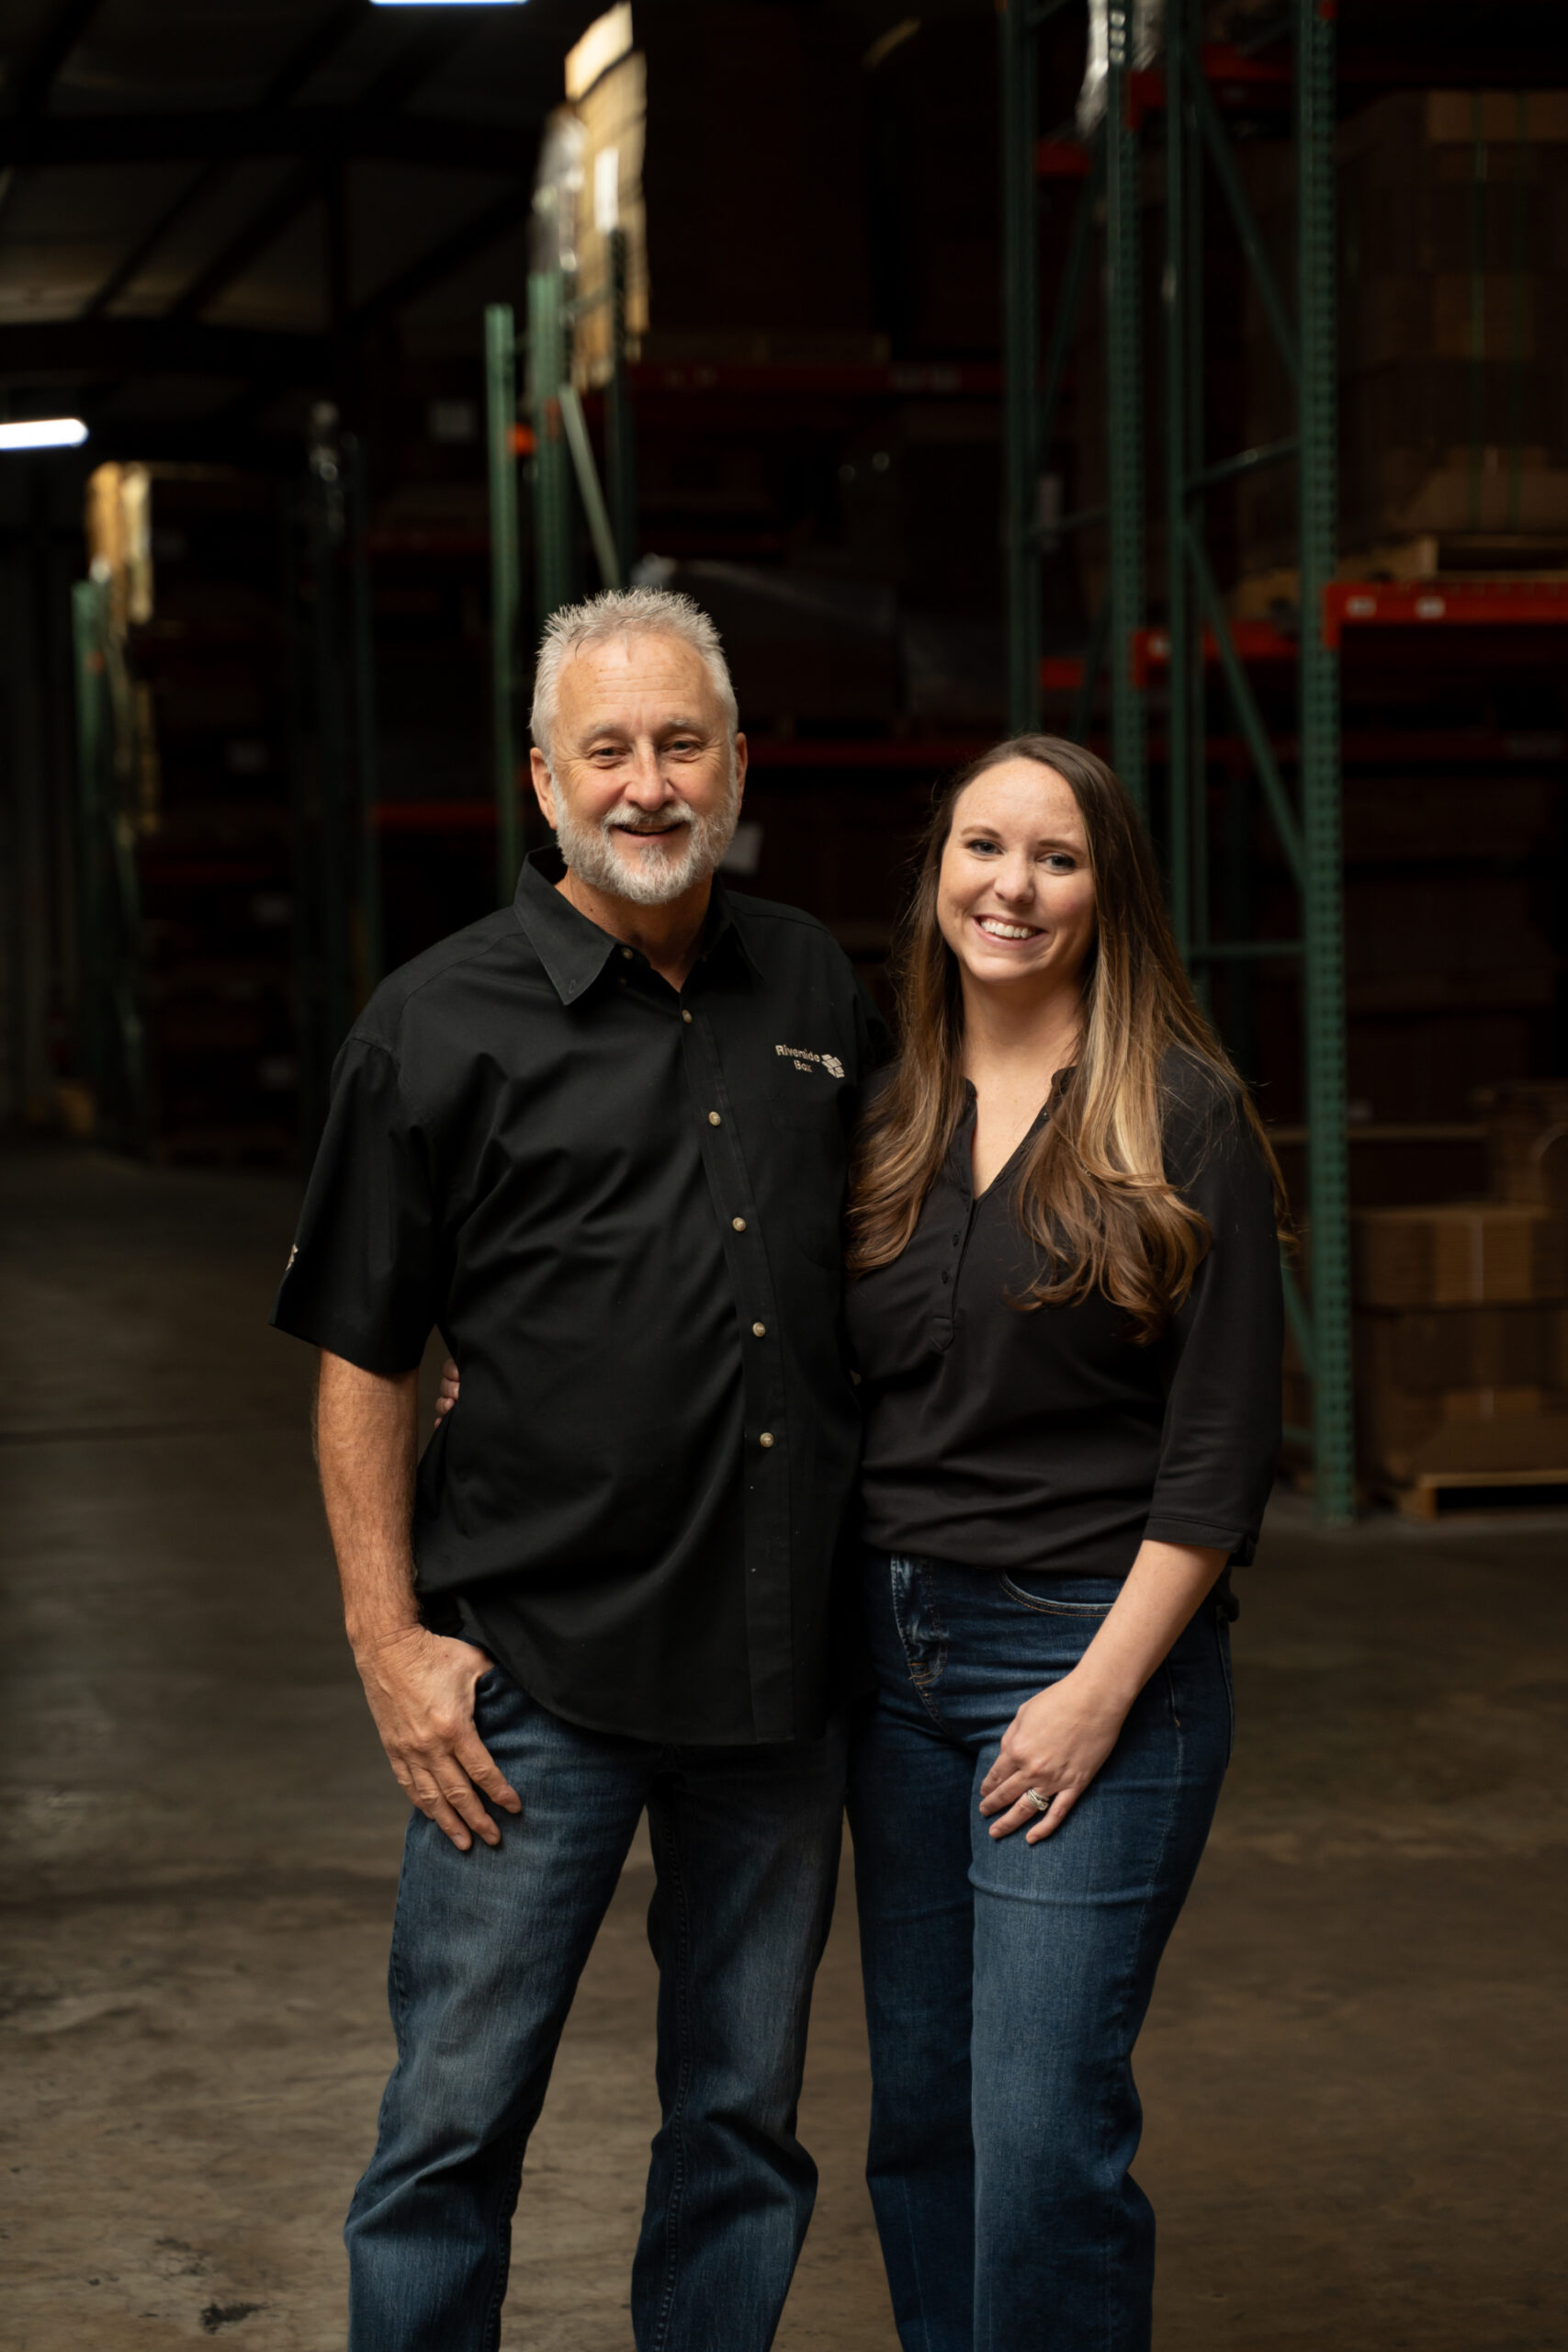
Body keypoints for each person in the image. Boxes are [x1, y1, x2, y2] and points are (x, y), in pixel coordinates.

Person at [271, 586, 885, 2352]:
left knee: (742, 2125)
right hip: (529, 1682)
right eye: (604, 749)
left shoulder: (820, 986)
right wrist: (392, 1647)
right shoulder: (431, 1026)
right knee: (452, 2128)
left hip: (779, 1677)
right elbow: (366, 1361)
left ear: (738, 763)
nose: (646, 783)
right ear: (542, 783)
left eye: (680, 743)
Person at [841, 734, 1284, 2352]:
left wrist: (1099, 1694)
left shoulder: (1180, 1111)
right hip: (888, 1662)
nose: (1010, 888)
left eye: (1056, 858)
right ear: (937, 873)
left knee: (1040, 2142)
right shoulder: (882, 1107)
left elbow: (1223, 1453)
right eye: (981, 849)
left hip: (1092, 1655)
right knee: (927, 2121)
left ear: (1109, 896)